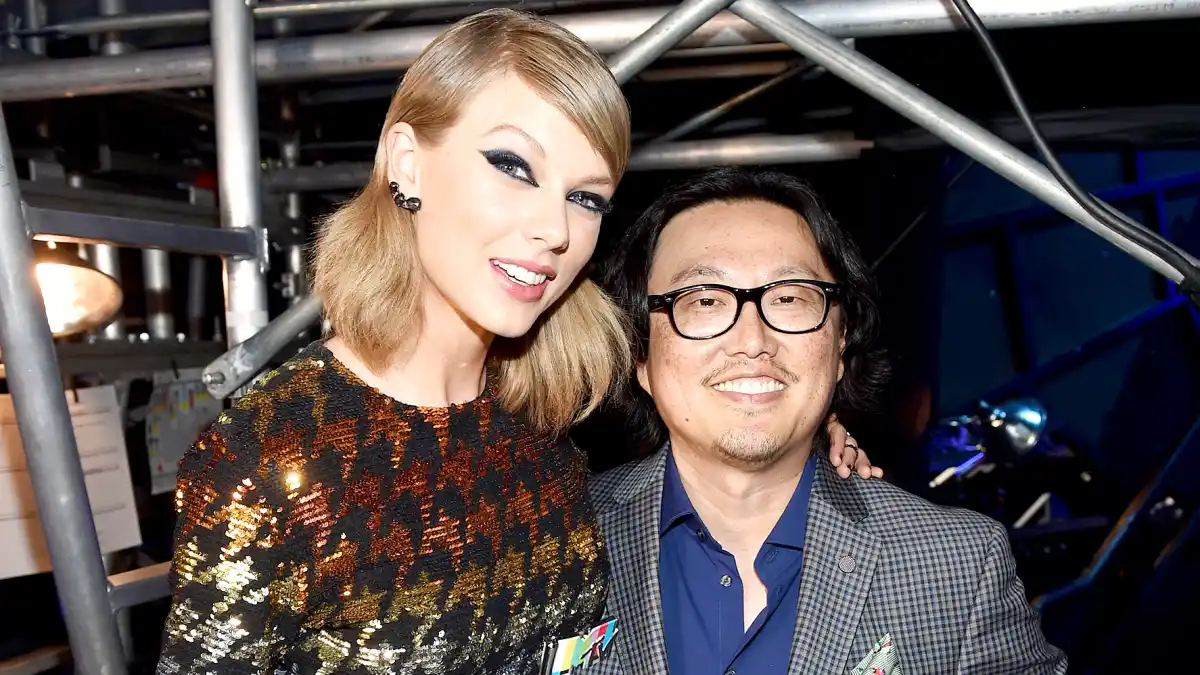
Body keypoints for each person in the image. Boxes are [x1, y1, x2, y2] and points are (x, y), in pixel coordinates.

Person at [155, 12, 876, 675]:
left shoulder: (553, 406)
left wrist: (815, 435)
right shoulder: (268, 457)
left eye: (585, 197)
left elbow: (731, 395)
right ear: (406, 162)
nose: (555, 229)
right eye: (513, 166)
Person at [590, 167, 1067, 675]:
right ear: (639, 353)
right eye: (705, 300)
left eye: (790, 298)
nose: (753, 341)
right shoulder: (550, 533)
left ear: (840, 345)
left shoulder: (957, 565)